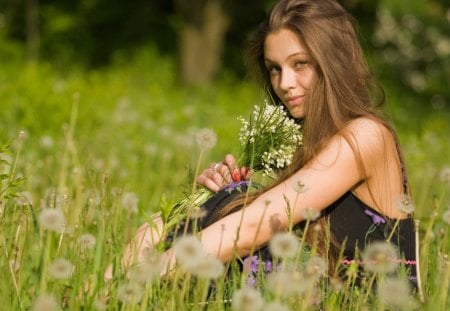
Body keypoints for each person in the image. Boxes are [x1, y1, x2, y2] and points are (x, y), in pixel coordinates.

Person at [115, 0, 418, 290]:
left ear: (335, 62)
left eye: (300, 64)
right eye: (275, 69)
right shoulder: (300, 141)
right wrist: (214, 197)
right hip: (316, 293)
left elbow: (252, 229)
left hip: (365, 300)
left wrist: (145, 276)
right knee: (226, 199)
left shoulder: (365, 136)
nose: (285, 83)